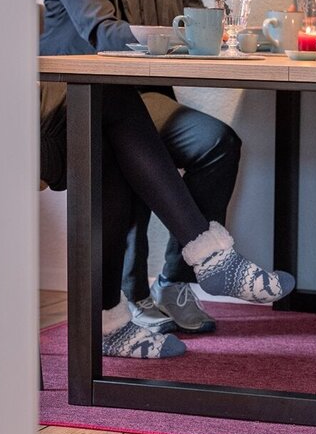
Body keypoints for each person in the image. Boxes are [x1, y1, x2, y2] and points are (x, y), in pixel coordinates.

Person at [40, 0, 241, 338]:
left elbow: (199, 21)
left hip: (142, 100)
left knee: (218, 143)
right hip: (74, 104)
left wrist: (231, 32)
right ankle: (143, 290)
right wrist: (184, 34)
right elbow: (101, 32)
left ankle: (175, 280)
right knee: (121, 160)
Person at [39, 82, 294, 360]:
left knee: (213, 139)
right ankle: (212, 260)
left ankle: (115, 316)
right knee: (106, 101)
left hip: (117, 92)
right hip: (29, 112)